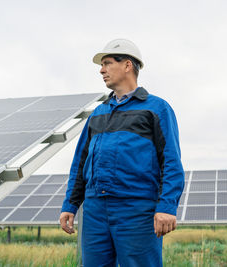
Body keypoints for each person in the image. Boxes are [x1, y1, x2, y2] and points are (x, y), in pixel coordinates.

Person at [59, 38, 184, 267]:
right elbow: (80, 162)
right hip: (95, 210)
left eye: (107, 63)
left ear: (127, 65)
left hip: (136, 210)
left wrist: (167, 206)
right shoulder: (98, 113)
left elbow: (171, 161)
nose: (101, 70)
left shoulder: (156, 109)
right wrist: (70, 204)